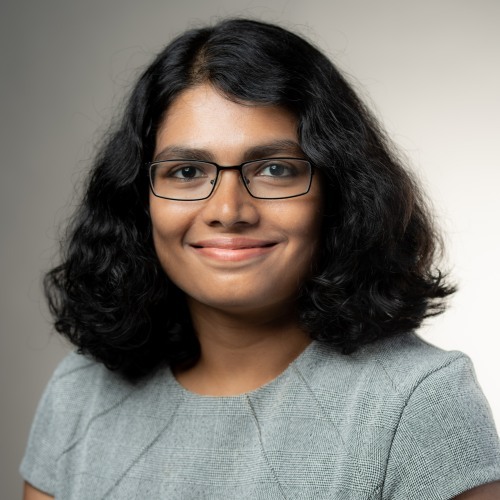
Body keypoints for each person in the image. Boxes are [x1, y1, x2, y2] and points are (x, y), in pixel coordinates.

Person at [21, 18, 500, 499]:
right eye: (186, 171)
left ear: (339, 192)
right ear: (139, 200)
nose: (228, 211)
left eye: (275, 169)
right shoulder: (79, 395)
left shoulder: (418, 403)